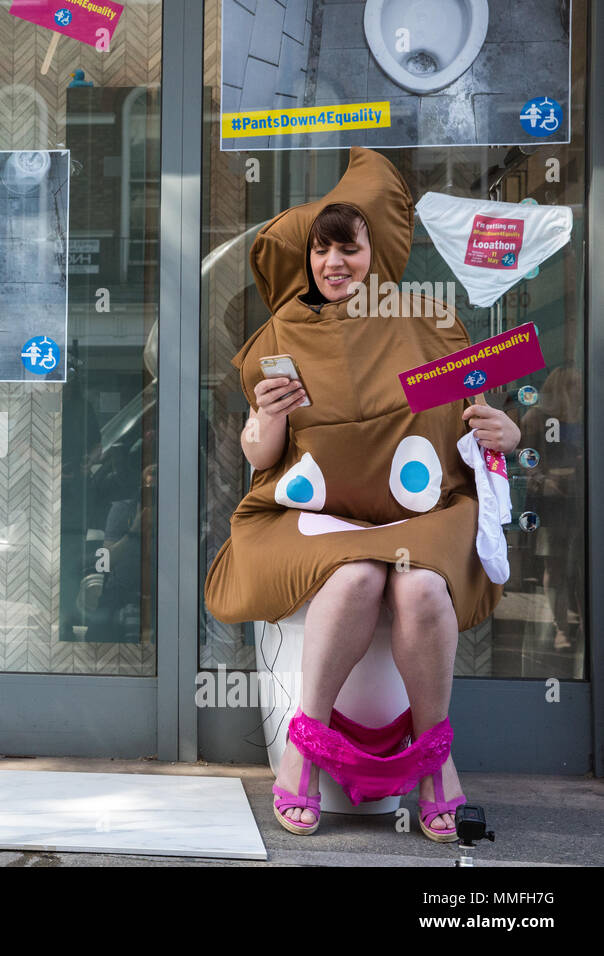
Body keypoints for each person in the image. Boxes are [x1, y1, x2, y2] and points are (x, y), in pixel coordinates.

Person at [203, 149, 520, 841]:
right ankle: (304, 753)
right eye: (321, 249)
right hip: (313, 521)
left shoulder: (426, 323)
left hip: (419, 516)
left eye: (347, 246)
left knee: (420, 588)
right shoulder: (280, 334)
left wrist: (507, 430)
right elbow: (258, 455)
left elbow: (478, 423)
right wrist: (271, 417)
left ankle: (437, 764)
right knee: (352, 580)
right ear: (309, 258)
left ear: (372, 251)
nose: (333, 262)